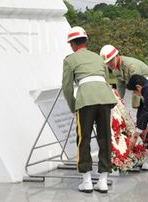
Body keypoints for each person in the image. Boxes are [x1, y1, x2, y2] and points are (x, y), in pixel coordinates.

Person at [62, 27, 117, 193]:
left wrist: (73, 106)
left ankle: (86, 180)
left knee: (83, 138)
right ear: (86, 41)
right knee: (105, 138)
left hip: (86, 100)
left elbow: (66, 87)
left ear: (71, 44)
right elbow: (105, 80)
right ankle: (103, 180)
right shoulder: (98, 58)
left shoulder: (69, 59)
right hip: (105, 98)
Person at [100, 45, 148, 170]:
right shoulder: (116, 69)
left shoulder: (130, 66)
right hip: (141, 94)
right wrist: (117, 102)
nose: (109, 64)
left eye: (111, 60)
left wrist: (135, 106)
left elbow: (137, 86)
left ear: (117, 56)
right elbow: (120, 86)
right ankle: (142, 155)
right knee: (140, 125)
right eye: (107, 62)